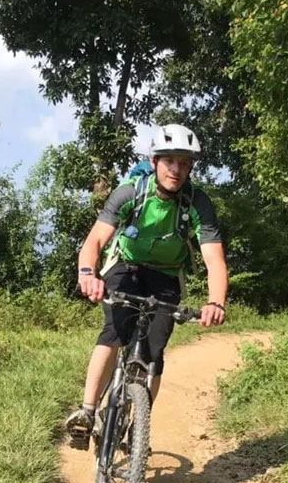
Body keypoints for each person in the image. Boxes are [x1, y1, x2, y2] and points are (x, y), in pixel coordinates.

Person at [64, 123, 229, 450]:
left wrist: (216, 302)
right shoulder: (131, 192)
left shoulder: (197, 203)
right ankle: (87, 411)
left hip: (166, 277)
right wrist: (87, 273)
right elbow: (95, 240)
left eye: (185, 164)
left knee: (154, 352)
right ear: (154, 162)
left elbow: (214, 259)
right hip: (125, 268)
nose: (177, 170)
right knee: (114, 332)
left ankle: (138, 427)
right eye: (170, 161)